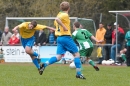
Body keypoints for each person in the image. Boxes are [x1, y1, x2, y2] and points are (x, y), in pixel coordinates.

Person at [39, 1, 86, 79]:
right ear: (69, 8)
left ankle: (44, 64)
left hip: (59, 38)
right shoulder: (64, 15)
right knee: (77, 55)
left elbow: (56, 21)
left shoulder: (59, 14)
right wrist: (64, 26)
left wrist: (60, 27)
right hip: (66, 37)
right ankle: (78, 74)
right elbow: (57, 19)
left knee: (59, 57)